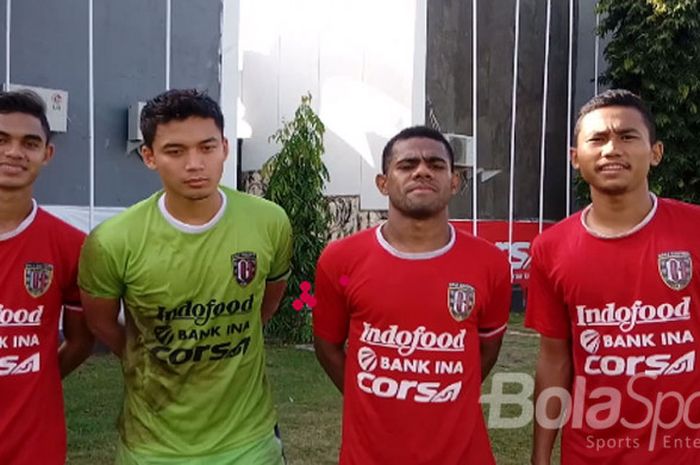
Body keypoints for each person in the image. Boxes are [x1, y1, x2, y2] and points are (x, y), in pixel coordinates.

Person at [78, 89, 292, 465]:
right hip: (153, 447)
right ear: (148, 156)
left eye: (207, 147)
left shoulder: (269, 221)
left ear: (225, 147)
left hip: (250, 443)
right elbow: (101, 323)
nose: (195, 164)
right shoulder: (113, 241)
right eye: (175, 151)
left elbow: (266, 303)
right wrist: (144, 353)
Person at [313, 125, 512, 465]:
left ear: (454, 181)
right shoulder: (339, 259)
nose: (422, 171)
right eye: (407, 165)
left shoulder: (491, 262)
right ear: (383, 182)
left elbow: (488, 346)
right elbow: (327, 346)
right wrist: (369, 398)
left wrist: (448, 394)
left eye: (436, 164)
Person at [526, 89, 700, 464]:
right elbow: (554, 360)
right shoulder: (550, 248)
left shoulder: (695, 230)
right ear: (576, 158)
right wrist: (540, 457)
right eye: (598, 139)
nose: (611, 149)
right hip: (591, 453)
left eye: (627, 136)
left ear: (655, 153)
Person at [0, 90, 94, 465]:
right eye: (1, 139)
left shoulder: (71, 245)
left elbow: (80, 341)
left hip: (34, 445)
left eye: (30, 142)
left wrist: (34, 381)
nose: (14, 152)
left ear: (47, 154)